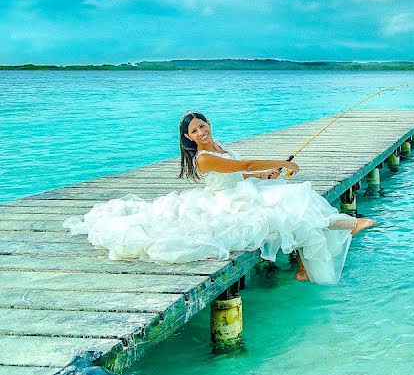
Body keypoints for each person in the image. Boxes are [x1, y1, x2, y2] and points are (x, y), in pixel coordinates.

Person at [65, 111, 377, 284]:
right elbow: (244, 165)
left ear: (208, 125)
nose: (201, 132)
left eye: (202, 125)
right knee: (284, 206)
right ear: (188, 137)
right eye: (194, 131)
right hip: (226, 200)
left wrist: (264, 177)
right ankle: (342, 229)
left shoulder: (220, 145)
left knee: (293, 197)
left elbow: (243, 172)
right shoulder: (203, 158)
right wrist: (282, 164)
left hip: (243, 188)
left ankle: (308, 262)